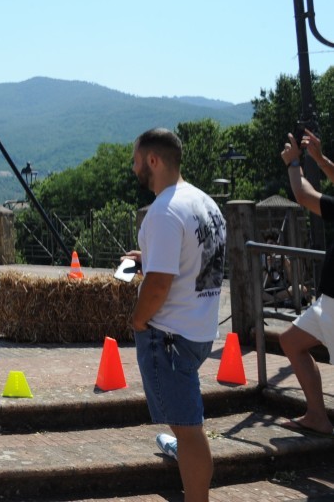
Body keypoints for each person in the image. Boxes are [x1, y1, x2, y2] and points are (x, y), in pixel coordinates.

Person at [122, 128, 226, 502]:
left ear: (153, 160)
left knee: (188, 428)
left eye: (136, 160)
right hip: (199, 330)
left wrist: (137, 320)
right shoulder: (204, 203)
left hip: (169, 335)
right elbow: (194, 260)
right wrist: (147, 258)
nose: (133, 168)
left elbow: (158, 285)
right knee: (185, 423)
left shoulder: (163, 211)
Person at [277, 128, 334, 435]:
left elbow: (302, 195)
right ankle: (316, 416)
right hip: (327, 303)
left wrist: (294, 162)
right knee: (291, 341)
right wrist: (321, 160)